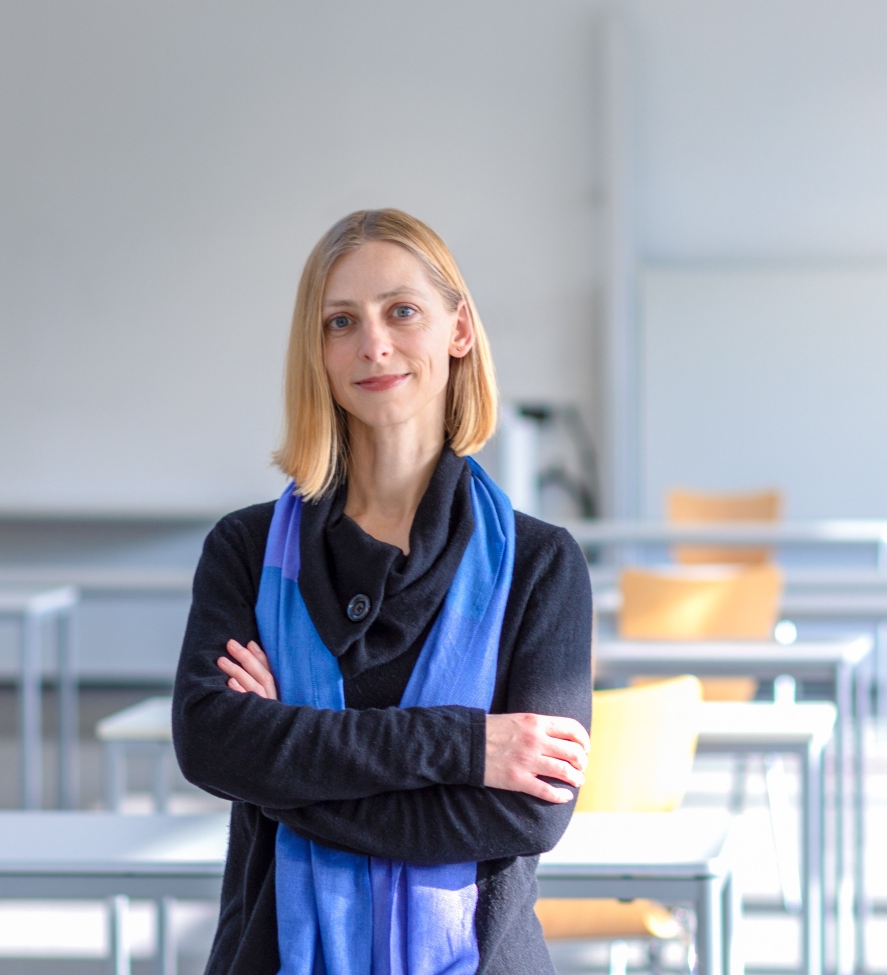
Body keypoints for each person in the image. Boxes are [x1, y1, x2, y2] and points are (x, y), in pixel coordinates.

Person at [173, 208, 594, 975]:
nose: (374, 344)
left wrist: (285, 770)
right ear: (319, 353)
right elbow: (211, 741)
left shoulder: (541, 564)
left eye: (402, 310)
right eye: (341, 322)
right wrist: (468, 746)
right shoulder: (244, 550)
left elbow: (530, 808)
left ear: (458, 329)